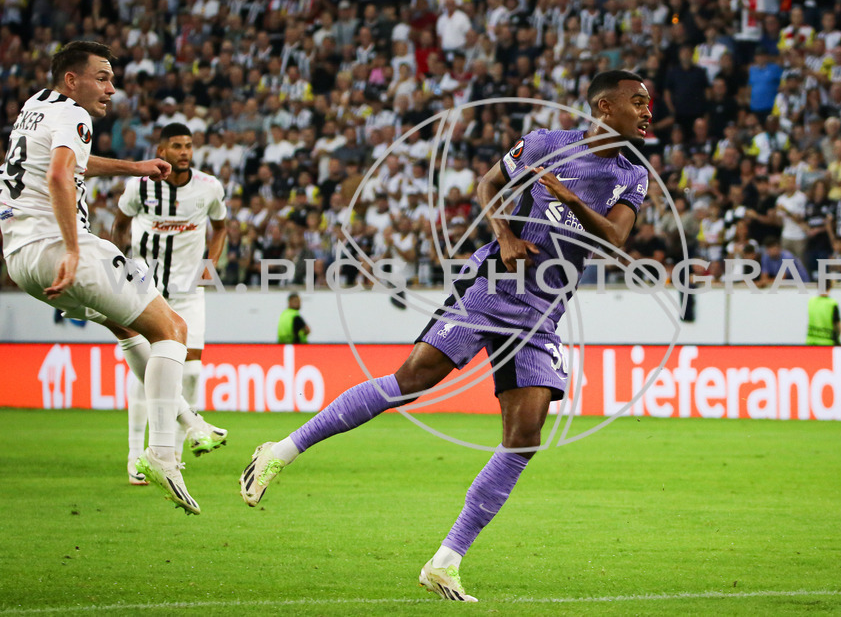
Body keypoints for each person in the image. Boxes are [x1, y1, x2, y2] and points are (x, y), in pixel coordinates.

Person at [239, 70, 651, 601]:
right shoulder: (547, 144)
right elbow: (486, 183)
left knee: (524, 437)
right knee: (410, 381)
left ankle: (445, 561)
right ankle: (282, 449)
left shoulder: (631, 175)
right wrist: (503, 234)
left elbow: (617, 237)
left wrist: (569, 200)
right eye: (637, 101)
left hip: (542, 311)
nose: (646, 111)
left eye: (647, 104)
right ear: (603, 106)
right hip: (494, 287)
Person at [0, 41, 221, 514]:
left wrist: (134, 167)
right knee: (172, 330)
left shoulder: (35, 107)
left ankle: (187, 422)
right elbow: (61, 177)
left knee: (126, 329)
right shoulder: (74, 116)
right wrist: (75, 250)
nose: (111, 88)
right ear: (71, 80)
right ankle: (162, 453)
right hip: (58, 248)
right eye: (102, 77)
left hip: (20, 259)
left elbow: (69, 164)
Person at [111, 122, 229, 484]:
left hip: (189, 291)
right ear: (161, 151)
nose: (184, 152)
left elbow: (221, 226)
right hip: (147, 288)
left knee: (191, 372)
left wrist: (209, 266)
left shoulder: (209, 187)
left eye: (189, 145)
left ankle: (172, 454)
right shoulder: (141, 187)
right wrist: (123, 269)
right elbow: (119, 224)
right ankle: (135, 455)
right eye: (176, 145)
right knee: (147, 369)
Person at [806, 280, 841, 346]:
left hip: (811, 342)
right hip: (827, 343)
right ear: (830, 287)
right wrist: (837, 341)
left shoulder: (811, 301)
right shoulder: (832, 303)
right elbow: (837, 325)